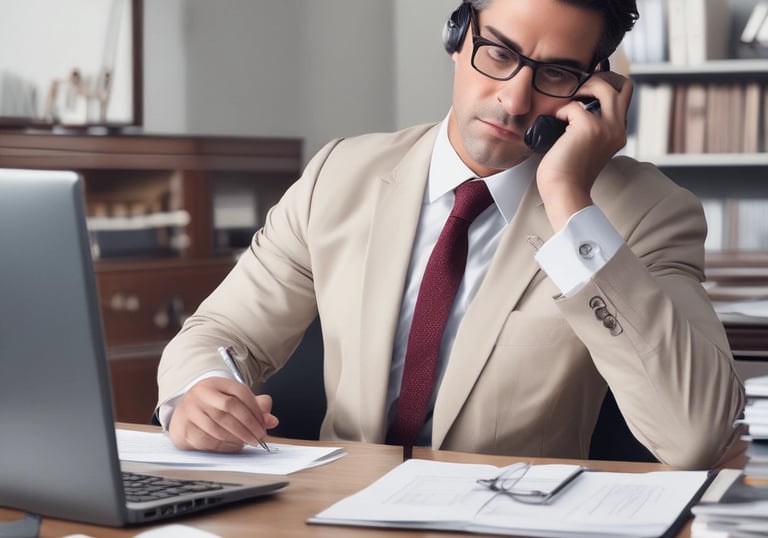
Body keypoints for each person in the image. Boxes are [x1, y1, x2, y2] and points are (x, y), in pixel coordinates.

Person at [156, 0, 745, 469]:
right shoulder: (338, 176)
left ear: (594, 90)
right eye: (499, 53)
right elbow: (217, 331)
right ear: (458, 36)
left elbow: (695, 435)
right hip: (331, 509)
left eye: (556, 73)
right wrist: (202, 390)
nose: (514, 98)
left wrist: (568, 197)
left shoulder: (649, 213)